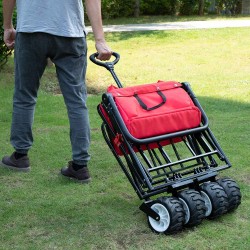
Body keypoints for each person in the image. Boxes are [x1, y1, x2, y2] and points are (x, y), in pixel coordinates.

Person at [1, 0, 112, 183]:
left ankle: (19, 157)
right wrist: (99, 40)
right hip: (70, 32)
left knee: (24, 97)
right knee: (77, 101)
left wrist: (7, 25)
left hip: (31, 31)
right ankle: (80, 166)